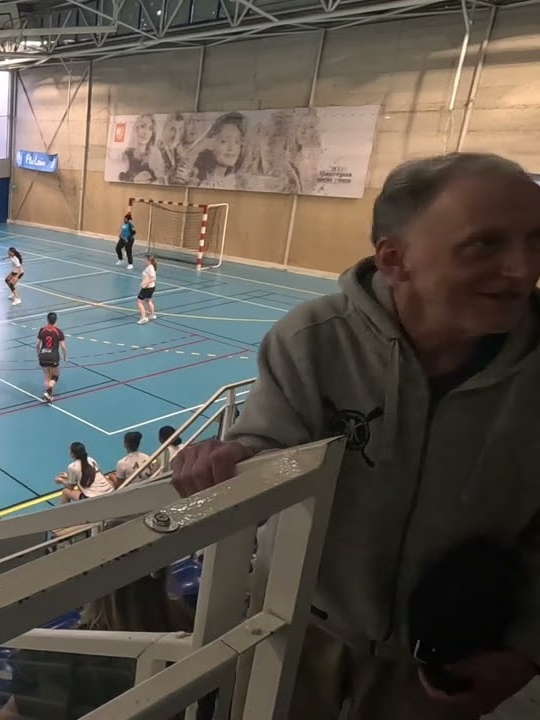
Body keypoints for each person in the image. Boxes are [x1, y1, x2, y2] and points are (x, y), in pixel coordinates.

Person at [170, 153, 540, 719]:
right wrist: (233, 458)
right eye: (485, 244)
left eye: (535, 240)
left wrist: (525, 651)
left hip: (451, 656)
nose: (522, 267)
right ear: (395, 259)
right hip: (296, 625)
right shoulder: (313, 340)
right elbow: (267, 444)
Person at [36, 312, 67, 402]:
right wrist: (65, 357)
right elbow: (63, 347)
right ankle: (48, 391)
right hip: (53, 357)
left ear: (47, 320)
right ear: (56, 320)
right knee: (56, 375)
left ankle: (48, 395)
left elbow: (37, 345)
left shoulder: (42, 330)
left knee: (47, 376)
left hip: (43, 355)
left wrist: (38, 355)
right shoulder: (58, 332)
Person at [137, 255, 158, 324]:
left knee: (139, 302)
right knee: (148, 300)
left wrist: (145, 283)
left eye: (145, 259)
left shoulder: (150, 268)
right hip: (150, 287)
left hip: (147, 288)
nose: (144, 260)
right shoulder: (150, 267)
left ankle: (143, 318)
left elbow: (153, 278)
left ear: (149, 261)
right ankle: (152, 315)